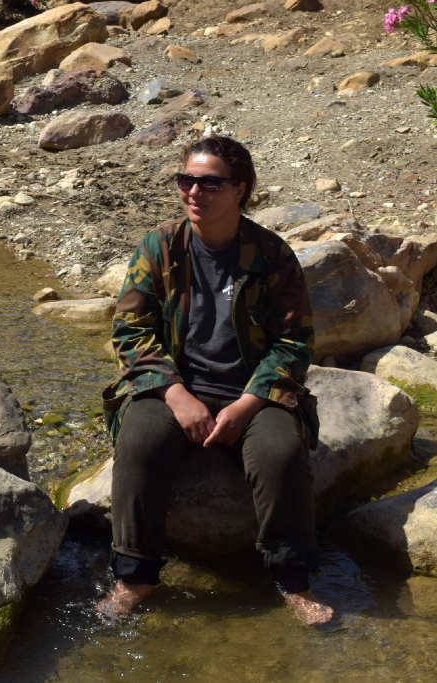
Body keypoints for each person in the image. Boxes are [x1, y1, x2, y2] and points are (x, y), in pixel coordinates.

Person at [97, 135, 333, 626]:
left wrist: (247, 404)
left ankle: (293, 580)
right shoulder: (160, 246)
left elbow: (294, 344)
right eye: (187, 180)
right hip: (173, 386)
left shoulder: (272, 255)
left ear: (239, 189)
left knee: (280, 454)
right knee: (138, 442)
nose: (194, 192)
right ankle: (135, 575)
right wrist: (176, 394)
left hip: (252, 392)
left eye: (209, 183)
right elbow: (130, 330)